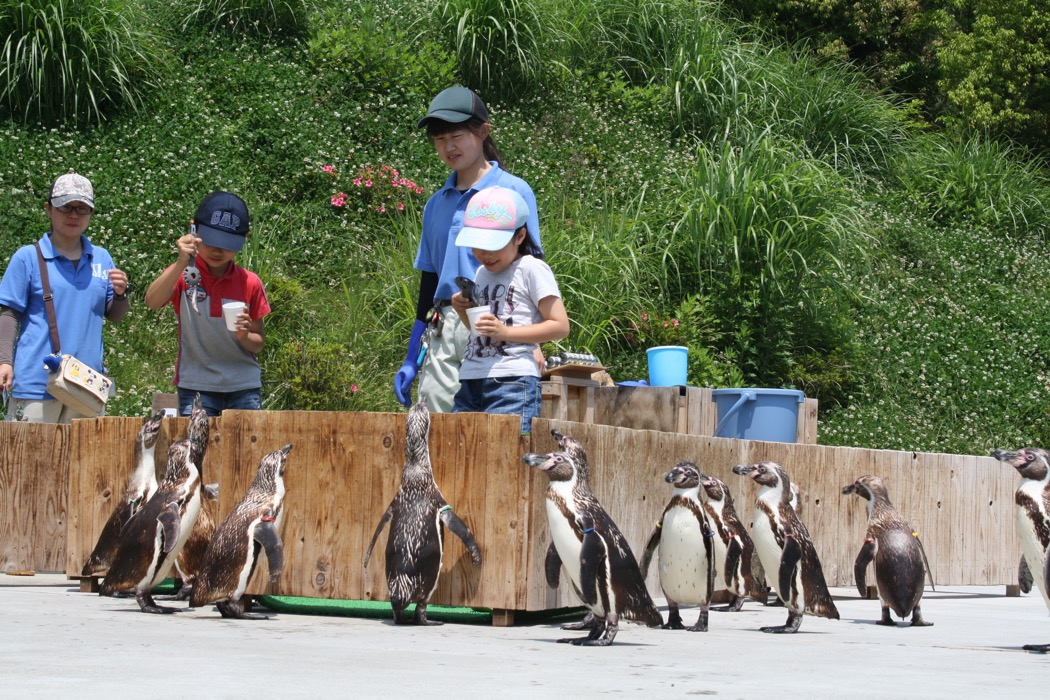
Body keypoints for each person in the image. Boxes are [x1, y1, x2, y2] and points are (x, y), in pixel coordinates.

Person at [393, 86, 543, 412]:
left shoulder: (514, 191)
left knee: (498, 427)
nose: (449, 146)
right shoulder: (435, 205)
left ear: (483, 131)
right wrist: (410, 359)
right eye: (439, 139)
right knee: (436, 424)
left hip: (500, 320)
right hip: (447, 322)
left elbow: (530, 268)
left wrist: (532, 342)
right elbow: (429, 284)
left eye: (457, 136)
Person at [0, 173, 130, 423]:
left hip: (86, 384)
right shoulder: (27, 257)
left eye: (82, 208)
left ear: (91, 213)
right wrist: (4, 361)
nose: (73, 215)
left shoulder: (102, 258)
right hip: (37, 384)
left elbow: (114, 315)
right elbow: (9, 314)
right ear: (48, 209)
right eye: (65, 207)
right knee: (29, 461)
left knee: (82, 462)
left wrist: (121, 295)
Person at [449, 186, 569, 434]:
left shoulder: (531, 268)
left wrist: (505, 332)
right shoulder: (482, 273)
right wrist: (463, 309)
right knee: (461, 453)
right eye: (478, 246)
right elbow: (480, 331)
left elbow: (559, 325)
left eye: (494, 245)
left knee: (506, 457)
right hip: (472, 376)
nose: (485, 254)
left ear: (520, 236)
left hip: (513, 381)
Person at [144, 191, 270, 417]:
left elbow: (258, 342)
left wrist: (243, 336)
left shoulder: (250, 282)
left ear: (244, 238)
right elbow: (152, 301)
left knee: (245, 452)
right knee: (195, 452)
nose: (217, 250)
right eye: (210, 240)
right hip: (195, 385)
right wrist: (182, 261)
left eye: (227, 244)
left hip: (244, 387)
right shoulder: (183, 275)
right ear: (194, 230)